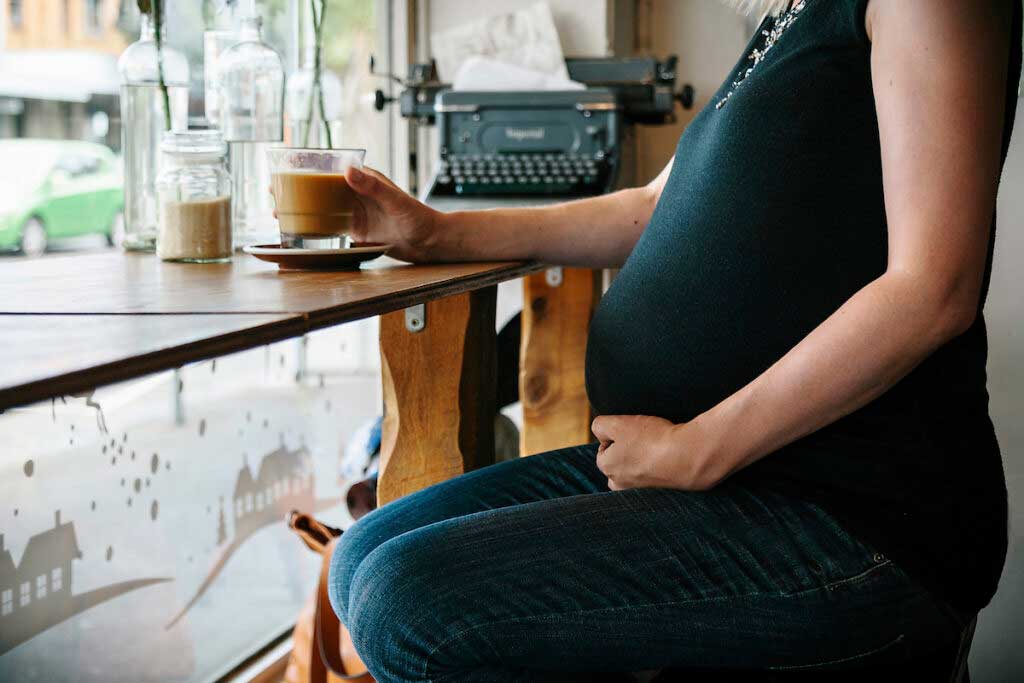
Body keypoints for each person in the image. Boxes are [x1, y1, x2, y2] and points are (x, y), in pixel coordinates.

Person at [325, 1, 1021, 680]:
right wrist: (438, 232)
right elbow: (652, 206)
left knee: (403, 604)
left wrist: (700, 449)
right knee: (359, 557)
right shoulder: (790, 18)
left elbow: (933, 288)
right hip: (729, 474)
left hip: (844, 508)